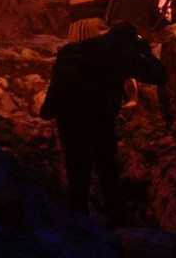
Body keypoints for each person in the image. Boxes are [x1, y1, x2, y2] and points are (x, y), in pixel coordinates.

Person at [41, 22, 166, 220]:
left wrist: (47, 109)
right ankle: (115, 216)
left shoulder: (71, 50)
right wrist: (146, 53)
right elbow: (160, 76)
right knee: (107, 168)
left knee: (77, 168)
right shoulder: (122, 54)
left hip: (68, 116)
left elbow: (57, 82)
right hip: (98, 117)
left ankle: (78, 217)